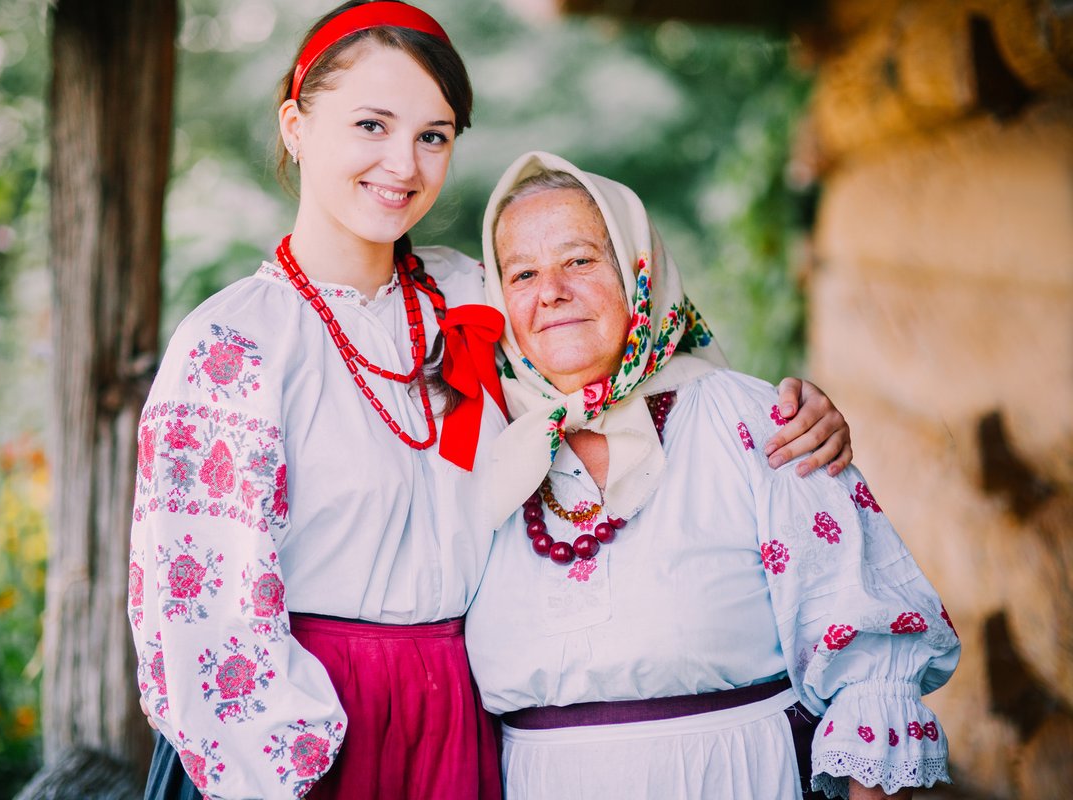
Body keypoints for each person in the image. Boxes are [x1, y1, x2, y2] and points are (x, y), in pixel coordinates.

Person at [128, 4, 855, 799]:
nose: (403, 164)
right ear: (296, 126)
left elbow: (631, 355)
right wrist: (281, 762)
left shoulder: (475, 296)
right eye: (371, 125)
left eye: (432, 135)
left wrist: (789, 407)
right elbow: (201, 618)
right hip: (316, 723)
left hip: (462, 717)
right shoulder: (234, 344)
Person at [465, 151, 960, 800]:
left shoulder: (755, 421)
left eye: (580, 260)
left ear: (640, 268)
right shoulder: (487, 449)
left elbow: (866, 660)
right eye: (522, 273)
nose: (550, 291)